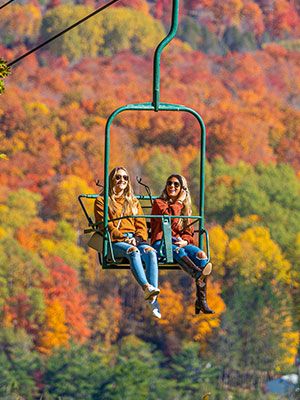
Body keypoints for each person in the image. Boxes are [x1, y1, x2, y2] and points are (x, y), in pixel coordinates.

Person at [94, 166, 161, 319]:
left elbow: (141, 225)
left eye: (125, 178)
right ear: (112, 180)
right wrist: (124, 238)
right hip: (116, 242)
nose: (122, 180)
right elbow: (105, 225)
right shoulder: (102, 201)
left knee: (151, 252)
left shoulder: (132, 202)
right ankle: (146, 287)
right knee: (133, 252)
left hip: (134, 239)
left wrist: (137, 239)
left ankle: (153, 299)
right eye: (118, 177)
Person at [151, 174, 214, 314]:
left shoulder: (185, 208)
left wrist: (185, 240)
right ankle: (197, 274)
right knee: (179, 251)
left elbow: (189, 231)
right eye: (169, 183)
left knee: (201, 256)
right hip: (161, 243)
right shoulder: (159, 203)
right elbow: (168, 221)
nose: (172, 186)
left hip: (179, 243)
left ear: (182, 189)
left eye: (176, 184)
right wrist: (178, 202)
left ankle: (201, 300)